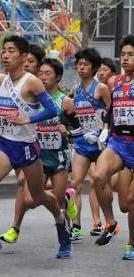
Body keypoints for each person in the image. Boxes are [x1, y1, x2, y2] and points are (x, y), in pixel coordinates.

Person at [0, 35, 71, 259]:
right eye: (3, 51)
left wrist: (28, 120)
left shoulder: (32, 82)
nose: (5, 55)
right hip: (6, 143)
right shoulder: (4, 80)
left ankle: (60, 220)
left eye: (10, 51)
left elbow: (52, 110)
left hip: (27, 146)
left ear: (24, 56)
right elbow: (6, 109)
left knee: (38, 196)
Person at [0, 58, 80, 246]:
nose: (43, 77)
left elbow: (78, 130)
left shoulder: (66, 102)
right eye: (40, 73)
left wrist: (66, 132)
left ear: (58, 77)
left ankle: (65, 234)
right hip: (38, 157)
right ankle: (16, 226)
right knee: (30, 199)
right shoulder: (33, 98)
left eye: (48, 74)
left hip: (58, 158)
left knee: (58, 203)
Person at [93, 35, 134, 259]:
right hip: (118, 142)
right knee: (99, 176)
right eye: (123, 54)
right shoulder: (114, 82)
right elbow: (110, 109)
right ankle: (109, 223)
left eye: (131, 55)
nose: (125, 58)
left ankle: (132, 243)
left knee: (128, 204)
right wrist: (105, 128)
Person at [69, 48, 111, 241]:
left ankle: (108, 221)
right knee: (75, 183)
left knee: (99, 181)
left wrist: (104, 130)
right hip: (82, 143)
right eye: (79, 64)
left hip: (101, 144)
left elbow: (111, 111)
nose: (81, 67)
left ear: (93, 67)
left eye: (85, 64)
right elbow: (72, 115)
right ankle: (76, 227)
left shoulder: (100, 88)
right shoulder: (75, 90)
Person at [88, 57, 118, 236]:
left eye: (105, 70)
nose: (101, 73)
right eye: (99, 69)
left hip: (119, 141)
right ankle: (99, 222)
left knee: (117, 190)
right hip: (96, 140)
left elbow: (111, 111)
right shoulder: (93, 89)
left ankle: (111, 219)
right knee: (95, 179)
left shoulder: (115, 88)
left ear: (113, 73)